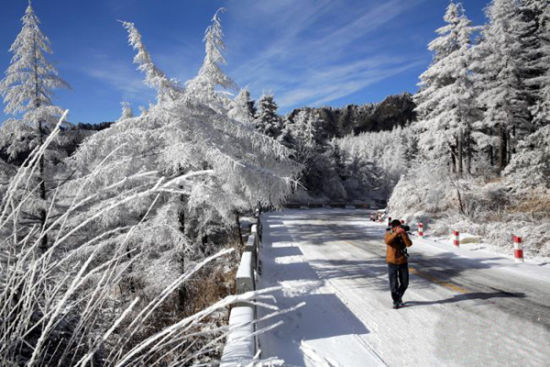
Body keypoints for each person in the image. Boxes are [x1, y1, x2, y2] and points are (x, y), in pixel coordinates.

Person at [384, 219, 413, 309]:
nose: (399, 228)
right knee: (394, 284)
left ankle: (398, 297)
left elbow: (409, 244)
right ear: (393, 227)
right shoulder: (389, 234)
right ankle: (396, 301)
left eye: (399, 226)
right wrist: (396, 233)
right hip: (392, 262)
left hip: (403, 261)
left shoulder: (402, 233)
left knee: (405, 283)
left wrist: (403, 234)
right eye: (397, 227)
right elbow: (388, 241)